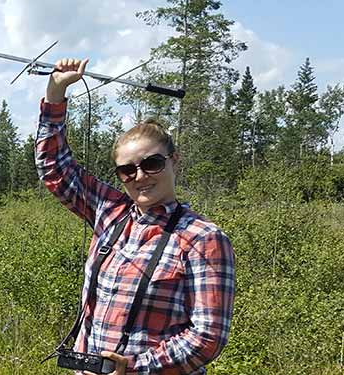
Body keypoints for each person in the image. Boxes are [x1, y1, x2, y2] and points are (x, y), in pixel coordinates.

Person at [35, 58, 235, 374]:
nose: (140, 176)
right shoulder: (109, 212)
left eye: (152, 164)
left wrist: (134, 367)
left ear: (174, 161)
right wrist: (55, 94)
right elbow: (55, 168)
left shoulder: (203, 238)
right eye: (127, 170)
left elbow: (207, 337)